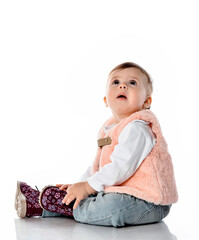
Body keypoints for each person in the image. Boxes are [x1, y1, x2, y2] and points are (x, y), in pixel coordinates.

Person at [15, 62, 178, 227]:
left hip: (149, 202)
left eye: (132, 83)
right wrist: (79, 186)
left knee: (110, 206)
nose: (122, 86)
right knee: (90, 195)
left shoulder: (138, 128)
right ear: (106, 100)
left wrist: (87, 187)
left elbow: (120, 168)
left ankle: (63, 206)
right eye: (116, 82)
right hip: (124, 193)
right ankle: (42, 204)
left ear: (146, 102)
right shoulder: (110, 128)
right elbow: (97, 167)